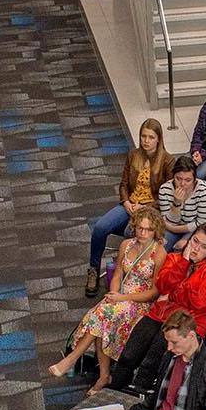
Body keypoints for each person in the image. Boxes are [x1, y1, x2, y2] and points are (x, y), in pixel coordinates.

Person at [49, 207, 165, 390]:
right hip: (120, 296)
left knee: (102, 315)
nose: (143, 233)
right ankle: (103, 376)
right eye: (140, 228)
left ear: (155, 231)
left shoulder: (159, 253)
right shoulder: (126, 245)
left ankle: (72, 359)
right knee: (104, 316)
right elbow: (118, 273)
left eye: (148, 229)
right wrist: (113, 294)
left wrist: (122, 297)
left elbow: (154, 292)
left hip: (139, 301)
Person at [109, 225, 206, 393]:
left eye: (204, 246)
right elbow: (162, 285)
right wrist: (183, 265)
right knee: (128, 355)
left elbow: (197, 302)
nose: (196, 248)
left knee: (152, 361)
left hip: (188, 321)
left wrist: (175, 291)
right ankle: (113, 390)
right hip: (160, 313)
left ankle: (138, 395)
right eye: (195, 241)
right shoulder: (175, 258)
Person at [88, 118, 170, 296]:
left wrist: (145, 207)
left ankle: (126, 272)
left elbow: (165, 195)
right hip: (129, 204)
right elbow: (124, 184)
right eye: (143, 136)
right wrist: (126, 202)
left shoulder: (167, 161)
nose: (146, 141)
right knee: (100, 228)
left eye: (151, 137)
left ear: (158, 139)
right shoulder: (133, 155)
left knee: (130, 233)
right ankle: (93, 269)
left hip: (149, 209)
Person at [156, 156, 206, 250]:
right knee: (159, 245)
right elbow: (169, 221)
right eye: (178, 179)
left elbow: (202, 224)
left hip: (205, 228)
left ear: (195, 179)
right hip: (179, 226)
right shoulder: (165, 189)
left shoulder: (205, 191)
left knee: (184, 248)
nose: (182, 184)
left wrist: (174, 229)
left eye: (188, 180)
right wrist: (176, 203)